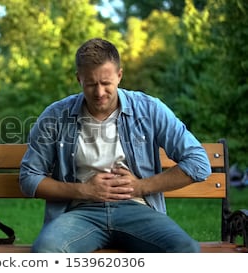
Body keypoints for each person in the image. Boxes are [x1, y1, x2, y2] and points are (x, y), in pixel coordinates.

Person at [19, 37, 211, 253]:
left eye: (106, 83)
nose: (99, 93)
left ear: (119, 76)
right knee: (46, 251)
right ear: (78, 79)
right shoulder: (56, 116)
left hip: (137, 209)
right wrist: (84, 190)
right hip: (81, 214)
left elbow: (199, 163)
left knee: (185, 249)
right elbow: (29, 178)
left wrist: (139, 186)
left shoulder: (149, 109)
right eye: (91, 84)